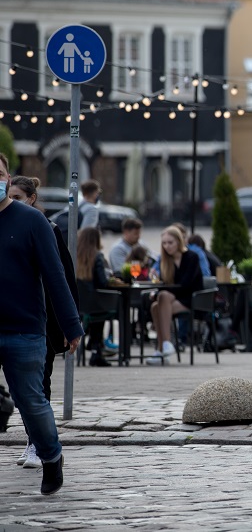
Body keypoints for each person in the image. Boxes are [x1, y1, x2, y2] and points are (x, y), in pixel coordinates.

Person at [0, 153, 83, 495]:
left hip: (24, 328)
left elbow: (55, 275)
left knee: (31, 401)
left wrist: (71, 325)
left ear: (7, 178)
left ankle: (51, 456)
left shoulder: (32, 221)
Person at [146, 225, 203, 364]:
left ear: (179, 241)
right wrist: (157, 287)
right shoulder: (165, 261)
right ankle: (163, 350)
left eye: (170, 242)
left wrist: (162, 291)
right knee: (155, 306)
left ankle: (164, 347)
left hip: (192, 298)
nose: (167, 246)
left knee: (163, 297)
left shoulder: (191, 257)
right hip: (175, 298)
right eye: (164, 243)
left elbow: (186, 285)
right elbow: (165, 284)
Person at [76, 226, 114, 367]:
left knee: (95, 312)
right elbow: (102, 283)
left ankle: (93, 345)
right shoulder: (97, 256)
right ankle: (96, 349)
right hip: (94, 304)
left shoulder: (74, 255)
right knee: (105, 311)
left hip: (78, 304)